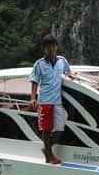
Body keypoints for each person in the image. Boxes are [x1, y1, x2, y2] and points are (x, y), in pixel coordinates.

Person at [29, 34, 72, 164]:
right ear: (44, 49)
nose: (50, 49)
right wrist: (33, 98)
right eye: (47, 47)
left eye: (52, 46)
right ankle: (49, 156)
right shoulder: (39, 64)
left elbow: (69, 75)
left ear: (56, 47)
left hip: (58, 100)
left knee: (60, 128)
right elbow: (34, 81)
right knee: (46, 130)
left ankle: (46, 149)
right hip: (45, 100)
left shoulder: (62, 61)